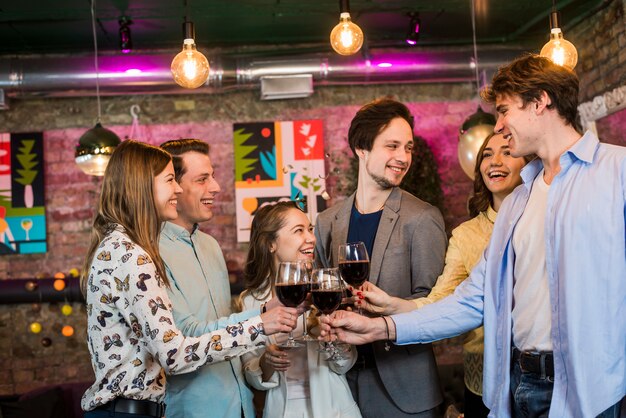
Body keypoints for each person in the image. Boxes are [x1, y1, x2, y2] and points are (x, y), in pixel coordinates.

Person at [321, 55, 626, 418]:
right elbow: (471, 300)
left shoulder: (617, 173)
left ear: (541, 101)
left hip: (596, 391)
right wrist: (379, 328)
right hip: (519, 387)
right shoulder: (518, 202)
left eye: (503, 111)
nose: (498, 126)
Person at [80, 140, 299, 418]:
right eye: (170, 180)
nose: (178, 189)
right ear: (143, 185)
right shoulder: (132, 254)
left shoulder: (118, 246)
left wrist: (265, 315)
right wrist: (259, 325)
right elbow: (174, 353)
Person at [355, 132, 529, 417]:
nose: (494, 161)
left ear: (529, 162)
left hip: (543, 376)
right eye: (486, 154)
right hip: (484, 381)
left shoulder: (544, 217)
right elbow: (445, 301)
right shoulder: (466, 235)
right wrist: (393, 306)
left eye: (507, 152)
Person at [314, 98, 448, 418]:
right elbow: (321, 297)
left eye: (409, 148)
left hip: (403, 391)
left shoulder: (423, 218)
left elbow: (438, 308)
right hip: (339, 383)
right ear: (362, 148)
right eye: (392, 146)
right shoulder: (328, 222)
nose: (403, 157)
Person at [158, 139, 296, 418]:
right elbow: (185, 335)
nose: (216, 187)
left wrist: (266, 317)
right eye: (202, 179)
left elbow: (224, 329)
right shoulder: (151, 253)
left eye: (213, 176)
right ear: (173, 186)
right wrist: (260, 320)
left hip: (241, 404)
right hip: (195, 410)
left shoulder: (211, 245)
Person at [239, 201, 361, 418]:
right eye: (298, 231)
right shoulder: (250, 303)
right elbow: (252, 376)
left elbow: (344, 364)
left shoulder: (326, 290)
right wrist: (266, 362)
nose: (311, 238)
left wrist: (331, 340)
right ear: (270, 244)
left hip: (337, 410)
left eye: (310, 229)